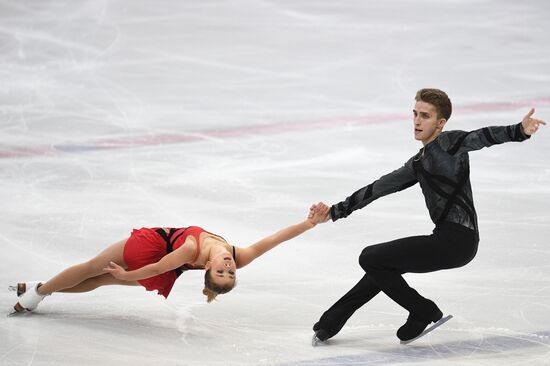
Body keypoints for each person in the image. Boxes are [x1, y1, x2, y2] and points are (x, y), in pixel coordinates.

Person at [309, 88, 546, 344]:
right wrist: (335, 211)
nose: (417, 121)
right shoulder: (419, 163)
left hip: (457, 240)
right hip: (448, 240)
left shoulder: (450, 143)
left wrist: (518, 131)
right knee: (380, 267)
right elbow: (379, 187)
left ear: (440, 122)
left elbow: (482, 137)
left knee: (370, 257)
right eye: (415, 114)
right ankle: (331, 322)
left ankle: (423, 310)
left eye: (425, 116)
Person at [12, 205, 330, 313]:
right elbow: (275, 240)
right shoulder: (240, 255)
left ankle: (37, 293)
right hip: (165, 259)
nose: (229, 268)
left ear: (208, 268)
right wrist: (310, 223)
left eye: (222, 272)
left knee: (96, 271)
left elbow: (160, 265)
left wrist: (124, 276)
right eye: (230, 273)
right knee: (97, 275)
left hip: (158, 250)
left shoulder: (193, 251)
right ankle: (41, 289)